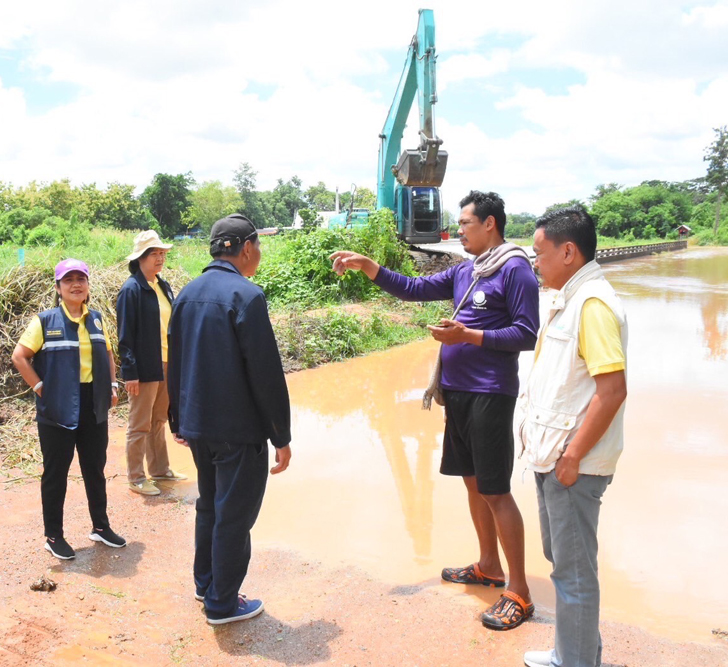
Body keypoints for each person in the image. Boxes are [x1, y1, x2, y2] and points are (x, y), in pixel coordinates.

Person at [330, 191, 539, 631]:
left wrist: (469, 337)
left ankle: (519, 591)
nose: (458, 229)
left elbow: (526, 333)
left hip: (490, 393)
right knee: (473, 483)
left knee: (496, 490)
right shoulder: (466, 270)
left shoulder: (515, 269)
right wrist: (370, 266)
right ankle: (488, 565)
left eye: (465, 223)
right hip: (457, 391)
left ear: (490, 224)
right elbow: (414, 289)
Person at [167, 214, 292, 625]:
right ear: (246, 248)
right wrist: (281, 434)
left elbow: (177, 362)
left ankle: (206, 583)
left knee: (211, 507)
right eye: (258, 246)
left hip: (200, 428)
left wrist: (177, 419)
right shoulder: (247, 295)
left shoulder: (186, 294)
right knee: (234, 516)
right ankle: (222, 602)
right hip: (239, 433)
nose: (258, 254)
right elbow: (266, 374)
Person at [522, 206, 628, 667]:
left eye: (540, 255)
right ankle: (573, 654)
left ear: (568, 251)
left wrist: (573, 457)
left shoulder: (593, 305)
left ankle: (577, 662)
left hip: (572, 463)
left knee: (574, 574)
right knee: (565, 564)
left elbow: (612, 390)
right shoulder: (570, 296)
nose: (536, 265)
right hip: (554, 456)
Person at [11, 259, 126, 560]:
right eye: (68, 280)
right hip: (57, 406)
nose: (76, 285)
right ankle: (54, 536)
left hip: (93, 404)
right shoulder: (45, 322)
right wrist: (39, 387)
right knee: (56, 473)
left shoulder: (97, 320)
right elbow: (20, 356)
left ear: (88, 286)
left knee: (94, 469)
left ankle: (100, 527)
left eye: (81, 279)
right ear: (58, 287)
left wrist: (113, 386)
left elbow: (109, 354)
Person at [116, 230, 186, 496]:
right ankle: (136, 478)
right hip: (144, 367)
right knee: (139, 424)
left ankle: (160, 470)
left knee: (158, 420)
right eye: (155, 254)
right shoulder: (131, 289)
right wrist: (129, 373)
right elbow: (126, 336)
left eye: (162, 254)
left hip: (166, 362)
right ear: (141, 258)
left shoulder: (162, 285)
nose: (160, 258)